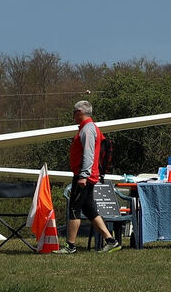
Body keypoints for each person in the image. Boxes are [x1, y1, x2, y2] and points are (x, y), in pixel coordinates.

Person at [54, 100, 121, 254]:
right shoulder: (88, 128)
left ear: (80, 113)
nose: (73, 115)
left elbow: (89, 154)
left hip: (84, 176)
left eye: (74, 112)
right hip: (88, 175)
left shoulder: (88, 130)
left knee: (74, 208)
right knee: (90, 210)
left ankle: (70, 246)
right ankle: (111, 241)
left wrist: (83, 176)